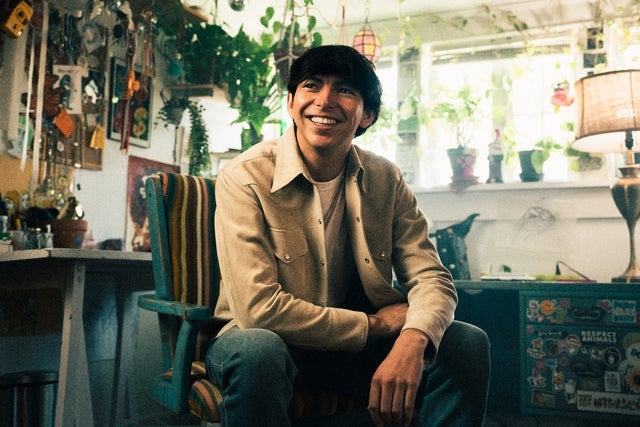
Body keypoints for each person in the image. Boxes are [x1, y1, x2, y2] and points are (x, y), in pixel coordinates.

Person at [206, 45, 490, 427]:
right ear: (290, 102)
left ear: (367, 115)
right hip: (261, 341)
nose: (324, 101)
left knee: (466, 343)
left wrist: (412, 338)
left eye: (344, 90)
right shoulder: (245, 176)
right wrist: (377, 325)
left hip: (351, 353)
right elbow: (259, 310)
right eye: (311, 85)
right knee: (258, 349)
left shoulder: (386, 179)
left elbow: (431, 277)